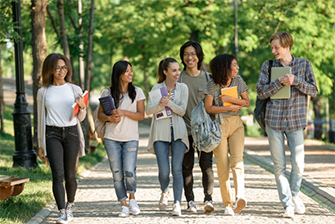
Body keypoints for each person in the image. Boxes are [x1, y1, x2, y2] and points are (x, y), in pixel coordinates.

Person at [256, 31, 318, 218]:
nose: (273, 50)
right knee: (279, 166)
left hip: (296, 121)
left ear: (287, 46)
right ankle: (287, 205)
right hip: (273, 121)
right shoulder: (268, 66)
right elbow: (260, 92)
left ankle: (294, 194)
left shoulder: (304, 64)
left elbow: (314, 90)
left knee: (298, 164)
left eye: (277, 47)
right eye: (272, 47)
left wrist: (295, 81)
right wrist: (278, 83)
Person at [37, 53, 87, 224]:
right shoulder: (43, 92)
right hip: (52, 134)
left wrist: (82, 107)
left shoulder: (75, 89)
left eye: (64, 67)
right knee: (57, 174)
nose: (62, 71)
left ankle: (70, 205)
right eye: (58, 67)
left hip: (72, 132)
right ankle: (62, 211)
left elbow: (81, 118)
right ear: (50, 69)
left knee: (70, 175)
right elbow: (40, 119)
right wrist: (40, 143)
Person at [97, 61, 145, 218]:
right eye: (127, 71)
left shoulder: (137, 92)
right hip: (112, 139)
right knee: (117, 173)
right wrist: (110, 118)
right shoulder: (107, 93)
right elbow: (100, 115)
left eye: (131, 70)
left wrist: (123, 112)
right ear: (118, 74)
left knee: (129, 171)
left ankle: (132, 199)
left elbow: (141, 115)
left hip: (131, 138)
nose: (130, 74)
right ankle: (123, 204)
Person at [204, 54, 250, 216]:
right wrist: (228, 107)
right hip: (219, 126)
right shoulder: (212, 84)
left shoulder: (238, 81)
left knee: (238, 162)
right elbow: (208, 108)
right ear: (225, 68)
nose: (237, 68)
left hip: (236, 125)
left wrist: (231, 99)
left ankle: (240, 196)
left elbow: (247, 102)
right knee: (223, 166)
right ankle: (227, 204)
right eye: (234, 65)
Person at [146, 58, 189, 216]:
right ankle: (165, 191)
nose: (178, 73)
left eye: (178, 70)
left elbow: (182, 111)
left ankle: (177, 203)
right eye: (174, 70)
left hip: (178, 132)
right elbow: (149, 110)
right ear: (165, 72)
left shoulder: (183, 88)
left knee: (177, 170)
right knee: (164, 171)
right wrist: (160, 104)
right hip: (160, 132)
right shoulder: (157, 87)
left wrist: (169, 103)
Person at [178, 41, 215, 214]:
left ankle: (208, 199)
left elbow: (214, 104)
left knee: (206, 165)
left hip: (204, 132)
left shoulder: (208, 78)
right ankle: (190, 201)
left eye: (193, 54)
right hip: (184, 130)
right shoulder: (178, 79)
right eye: (186, 54)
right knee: (186, 167)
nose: (189, 57)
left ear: (199, 56)